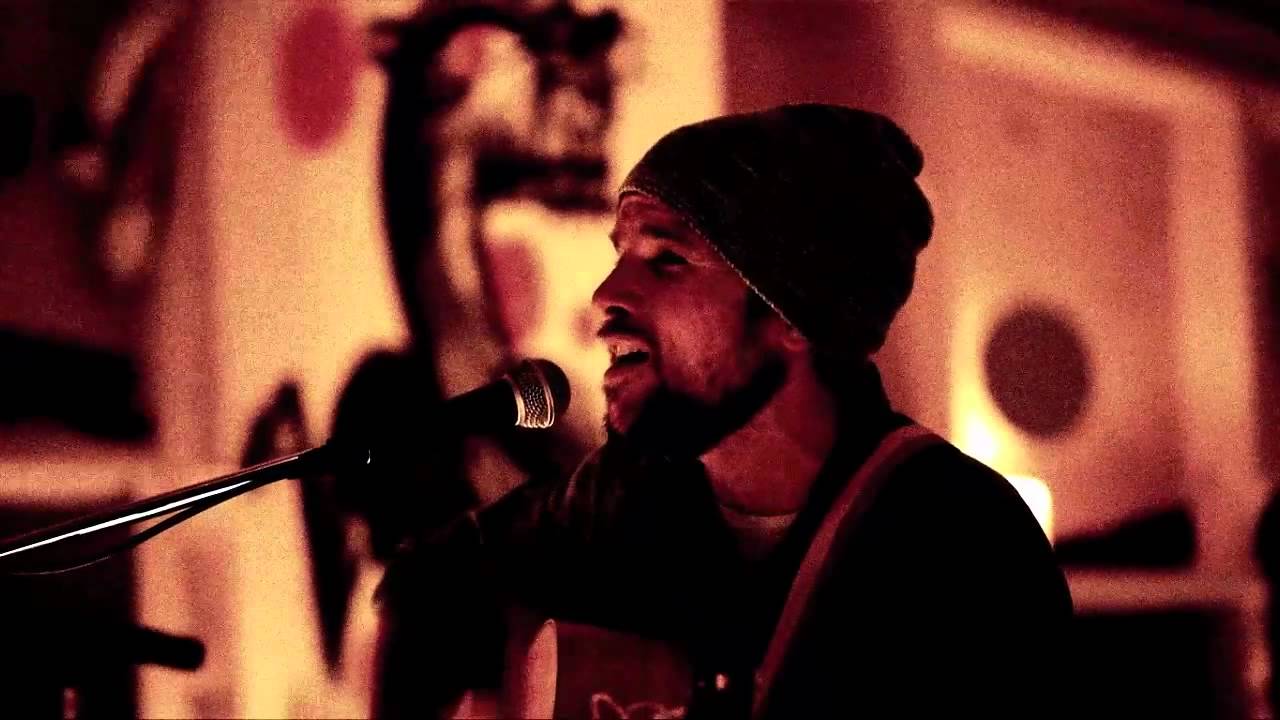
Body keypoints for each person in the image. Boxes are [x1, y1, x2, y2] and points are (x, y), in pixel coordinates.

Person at [371, 103, 1074, 718]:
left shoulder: (962, 543)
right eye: (620, 255)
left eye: (666, 260)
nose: (607, 295)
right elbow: (423, 587)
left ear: (791, 314)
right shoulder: (622, 498)